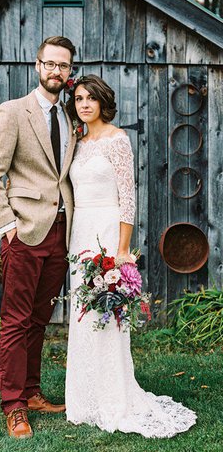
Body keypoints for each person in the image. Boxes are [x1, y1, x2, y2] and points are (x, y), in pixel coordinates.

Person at [65, 74, 197, 437]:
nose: (85, 105)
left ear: (103, 102)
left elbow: (127, 197)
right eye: (78, 99)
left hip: (107, 231)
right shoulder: (77, 141)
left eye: (91, 98)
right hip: (80, 235)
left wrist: (122, 250)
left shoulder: (117, 139)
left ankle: (114, 395)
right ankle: (85, 397)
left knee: (107, 312)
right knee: (83, 313)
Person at [0, 36, 77, 439]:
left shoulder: (71, 116)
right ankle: (14, 405)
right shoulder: (13, 112)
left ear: (70, 72)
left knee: (39, 319)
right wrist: (7, 226)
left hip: (60, 233)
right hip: (25, 231)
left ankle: (33, 392)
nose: (57, 71)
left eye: (64, 66)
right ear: (37, 66)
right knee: (16, 321)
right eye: (50, 64)